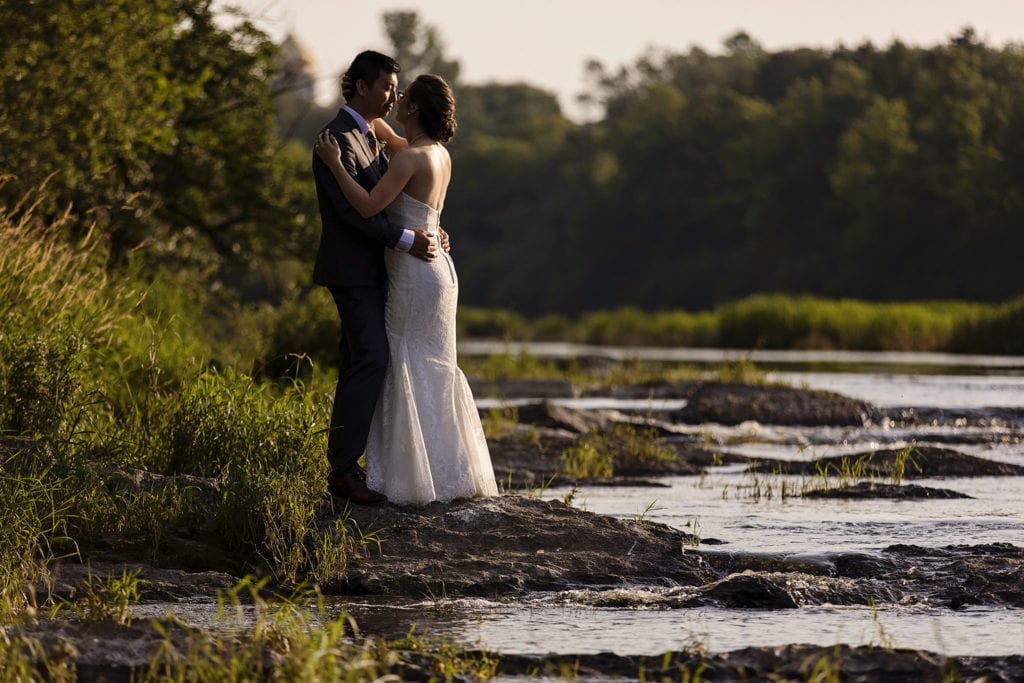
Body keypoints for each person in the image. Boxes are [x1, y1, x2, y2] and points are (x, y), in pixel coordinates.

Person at [314, 73, 498, 506]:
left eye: (404, 95)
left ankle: (411, 479)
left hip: (415, 274)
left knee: (405, 361)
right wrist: (371, 120)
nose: (396, 99)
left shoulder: (407, 160)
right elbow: (389, 136)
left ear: (414, 108)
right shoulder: (437, 154)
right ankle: (445, 473)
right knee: (431, 365)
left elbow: (367, 206)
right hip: (439, 272)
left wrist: (336, 163)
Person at [312, 50, 438, 506]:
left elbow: (400, 191)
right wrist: (408, 240)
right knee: (371, 359)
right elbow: (353, 214)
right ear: (360, 86)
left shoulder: (370, 135)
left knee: (361, 363)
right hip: (352, 272)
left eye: (394, 89)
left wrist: (427, 223)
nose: (391, 96)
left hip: (378, 272)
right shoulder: (335, 139)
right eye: (385, 87)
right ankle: (343, 471)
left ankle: (347, 466)